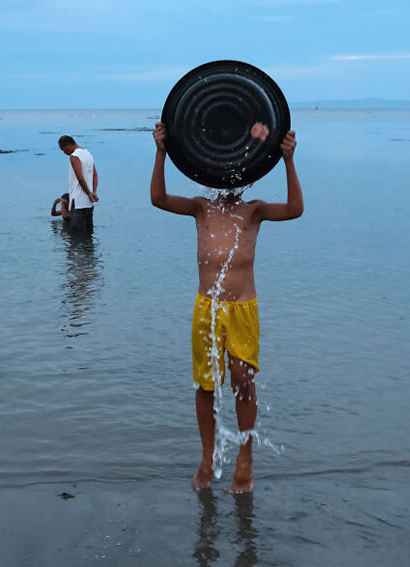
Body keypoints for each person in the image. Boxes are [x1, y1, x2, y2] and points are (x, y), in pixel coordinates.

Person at [150, 122, 304, 493]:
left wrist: (288, 159)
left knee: (243, 384)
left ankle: (245, 461)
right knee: (205, 387)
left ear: (246, 176)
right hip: (208, 309)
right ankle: (208, 457)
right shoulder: (201, 209)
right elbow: (158, 198)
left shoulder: (254, 212)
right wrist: (160, 151)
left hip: (241, 310)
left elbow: (297, 209)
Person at [58, 135, 98, 231]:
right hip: (89, 203)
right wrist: (93, 192)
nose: (64, 153)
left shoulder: (74, 156)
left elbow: (80, 178)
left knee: (76, 237)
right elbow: (95, 175)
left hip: (78, 202)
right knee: (88, 235)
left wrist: (89, 193)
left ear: (68, 145)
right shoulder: (88, 154)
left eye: (63, 150)